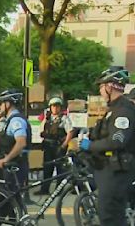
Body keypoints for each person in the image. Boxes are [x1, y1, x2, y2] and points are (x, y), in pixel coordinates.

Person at [79, 68, 135, 226]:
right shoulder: (114, 109)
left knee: (111, 217)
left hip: (117, 172)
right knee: (107, 215)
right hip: (107, 170)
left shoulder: (123, 111)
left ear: (110, 86)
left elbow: (117, 141)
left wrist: (90, 145)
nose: (100, 91)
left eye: (101, 87)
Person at [0, 89, 31, 191]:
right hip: (13, 165)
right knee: (12, 201)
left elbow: (21, 142)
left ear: (8, 104)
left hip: (16, 165)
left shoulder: (16, 121)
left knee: (6, 202)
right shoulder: (10, 120)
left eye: (0, 103)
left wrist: (6, 159)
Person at [34, 97, 74, 195]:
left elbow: (70, 132)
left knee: (60, 169)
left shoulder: (64, 118)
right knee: (47, 168)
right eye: (53, 106)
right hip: (48, 146)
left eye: (57, 106)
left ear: (60, 108)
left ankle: (58, 190)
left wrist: (64, 145)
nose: (55, 108)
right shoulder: (47, 118)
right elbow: (41, 130)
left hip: (58, 146)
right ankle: (44, 189)